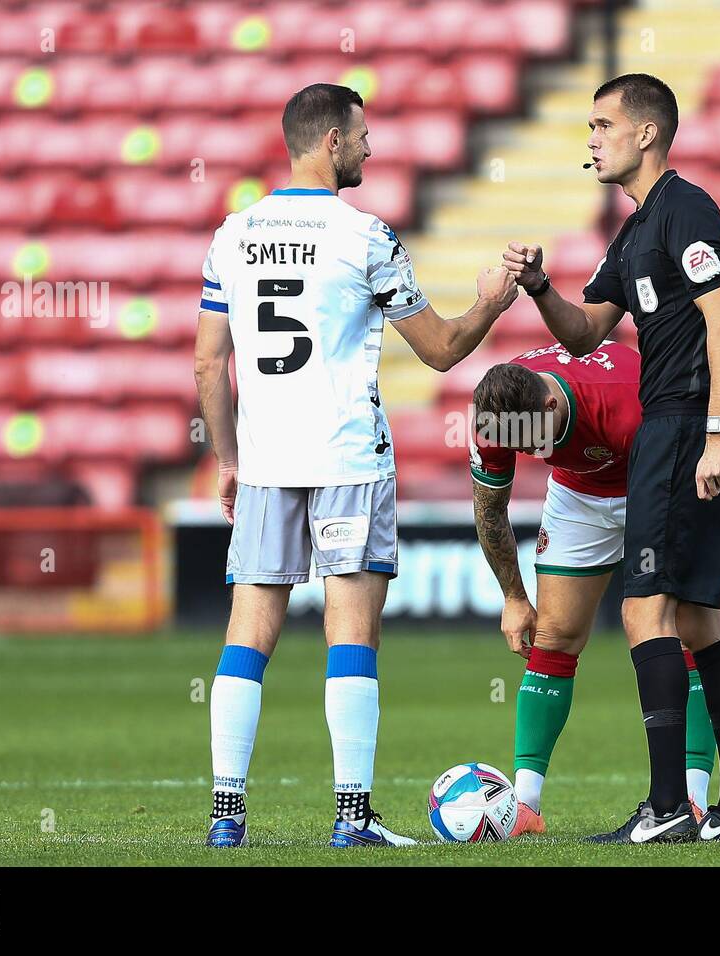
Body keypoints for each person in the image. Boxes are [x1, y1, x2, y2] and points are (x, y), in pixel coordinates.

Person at [194, 83, 517, 848]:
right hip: (345, 453)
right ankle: (351, 817)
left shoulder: (232, 235)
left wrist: (228, 459)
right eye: (363, 135)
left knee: (248, 632)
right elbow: (440, 350)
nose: (371, 148)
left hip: (268, 457)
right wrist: (492, 304)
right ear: (331, 142)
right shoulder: (365, 236)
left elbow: (210, 365)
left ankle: (226, 815)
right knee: (352, 635)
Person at [502, 73, 720, 843]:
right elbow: (584, 333)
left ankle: (666, 807)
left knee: (645, 609)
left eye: (602, 125)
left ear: (646, 133)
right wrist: (541, 287)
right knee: (703, 618)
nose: (592, 139)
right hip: (674, 431)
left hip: (683, 428)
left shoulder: (688, 211)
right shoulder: (637, 228)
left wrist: (717, 429)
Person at [469, 341, 720, 836]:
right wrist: (512, 596)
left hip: (655, 486)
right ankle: (525, 806)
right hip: (577, 496)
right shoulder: (497, 417)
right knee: (554, 637)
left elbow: (694, 469)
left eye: (532, 442)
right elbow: (489, 509)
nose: (527, 453)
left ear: (550, 404)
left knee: (688, 632)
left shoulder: (625, 402)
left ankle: (694, 800)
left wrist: (712, 579)